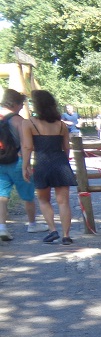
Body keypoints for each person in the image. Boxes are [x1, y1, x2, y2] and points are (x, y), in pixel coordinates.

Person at [21, 90, 77, 245]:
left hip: (42, 163)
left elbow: (27, 147)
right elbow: (66, 147)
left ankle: (53, 230)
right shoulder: (62, 125)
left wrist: (25, 166)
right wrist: (63, 163)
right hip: (60, 163)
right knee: (63, 201)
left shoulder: (29, 123)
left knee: (43, 199)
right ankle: (66, 235)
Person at [0, 88, 41, 240]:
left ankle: (2, 227)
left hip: (0, 162)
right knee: (27, 195)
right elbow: (26, 144)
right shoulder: (19, 121)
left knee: (2, 195)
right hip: (17, 161)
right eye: (22, 104)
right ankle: (32, 224)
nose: (23, 107)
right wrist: (27, 164)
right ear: (16, 104)